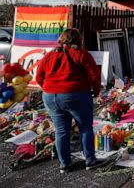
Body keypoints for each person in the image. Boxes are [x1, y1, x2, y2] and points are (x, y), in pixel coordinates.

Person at [36, 29, 101, 173]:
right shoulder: (81, 54)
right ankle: (90, 161)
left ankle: (64, 164)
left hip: (50, 96)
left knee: (61, 131)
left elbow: (39, 76)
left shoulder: (49, 55)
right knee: (85, 128)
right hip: (75, 95)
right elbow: (94, 76)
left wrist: (50, 89)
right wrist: (95, 92)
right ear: (78, 40)